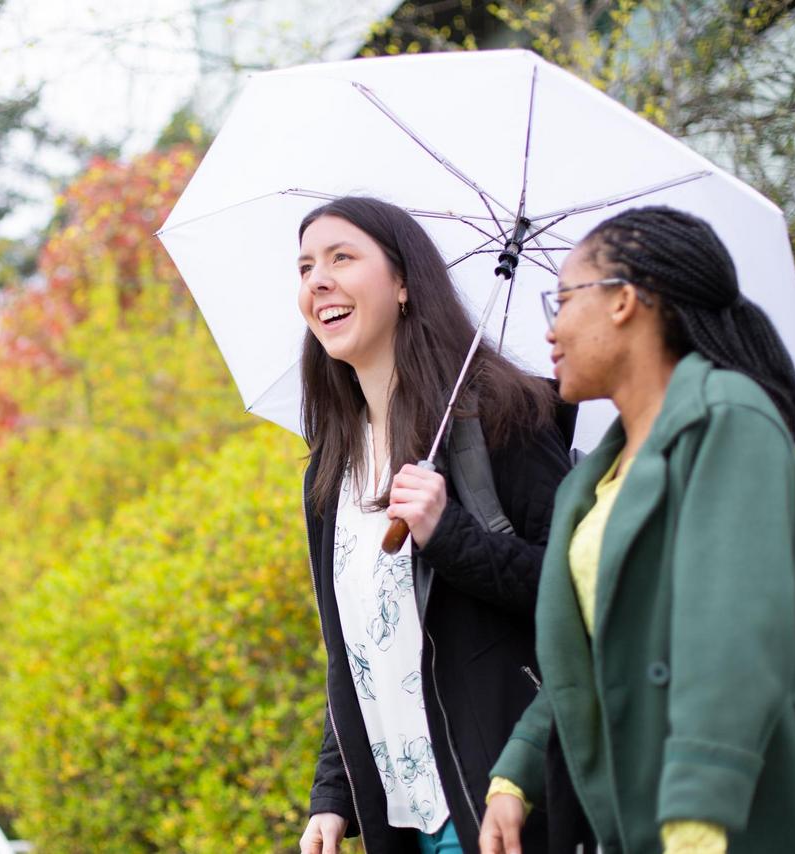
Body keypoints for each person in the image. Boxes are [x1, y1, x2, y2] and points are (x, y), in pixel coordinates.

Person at [480, 206, 795, 854]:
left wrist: (696, 815)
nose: (549, 331)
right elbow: (602, 656)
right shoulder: (589, 482)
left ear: (624, 302)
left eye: (564, 298)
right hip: (644, 819)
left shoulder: (728, 419)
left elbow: (734, 634)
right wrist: (514, 775)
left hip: (742, 813)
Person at [295, 196, 574, 854]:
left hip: (501, 799)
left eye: (342, 257)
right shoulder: (329, 472)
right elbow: (359, 652)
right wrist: (332, 796)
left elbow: (576, 590)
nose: (317, 281)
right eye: (305, 266)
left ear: (402, 283)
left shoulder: (505, 416)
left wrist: (450, 536)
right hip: (402, 820)